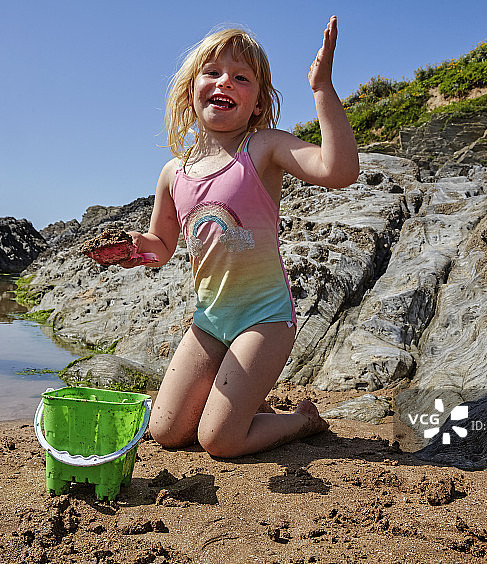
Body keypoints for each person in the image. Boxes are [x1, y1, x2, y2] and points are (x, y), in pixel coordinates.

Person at [121, 16, 359, 457]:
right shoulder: (174, 173)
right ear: (190, 90)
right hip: (210, 320)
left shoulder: (263, 147)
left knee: (220, 440)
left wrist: (322, 87)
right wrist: (134, 248)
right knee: (167, 431)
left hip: (264, 320)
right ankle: (244, 398)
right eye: (212, 73)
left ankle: (301, 420)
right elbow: (162, 246)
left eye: (240, 77)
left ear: (257, 103)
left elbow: (340, 171)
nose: (224, 81)